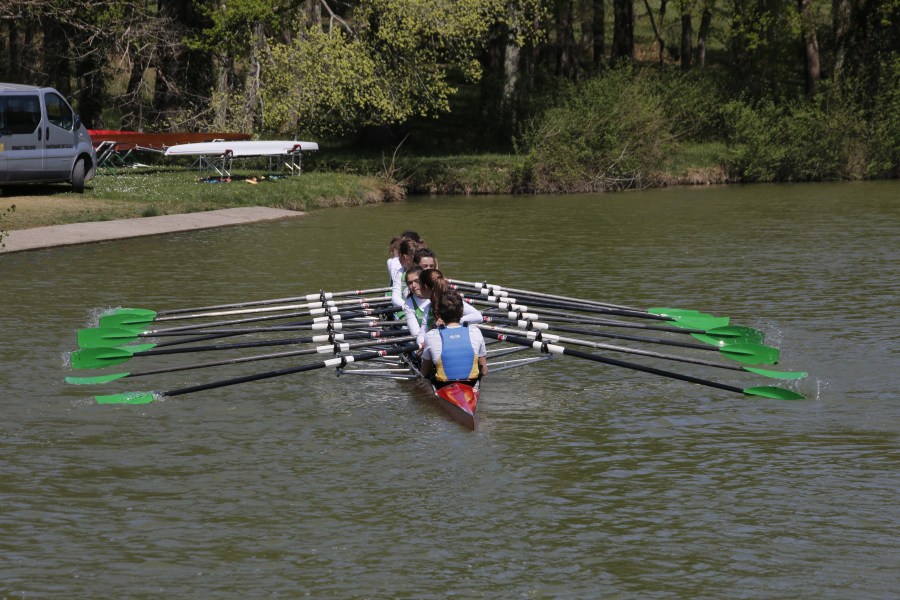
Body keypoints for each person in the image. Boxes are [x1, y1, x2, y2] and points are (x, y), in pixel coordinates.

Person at [420, 291, 487, 387]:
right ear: (462, 311)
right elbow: (484, 371)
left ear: (439, 314)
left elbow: (425, 372)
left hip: (443, 385)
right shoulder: (475, 331)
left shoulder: (431, 335)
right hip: (471, 384)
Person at [416, 268, 482, 346]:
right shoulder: (428, 307)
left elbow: (478, 317)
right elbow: (422, 332)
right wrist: (421, 344)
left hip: (458, 342)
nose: (418, 287)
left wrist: (450, 322)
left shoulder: (452, 301)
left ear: (425, 287)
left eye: (419, 284)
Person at [391, 237, 424, 307]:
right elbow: (395, 299)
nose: (398, 259)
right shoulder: (401, 272)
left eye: (399, 256)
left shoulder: (423, 270)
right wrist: (410, 307)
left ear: (404, 256)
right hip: (406, 307)